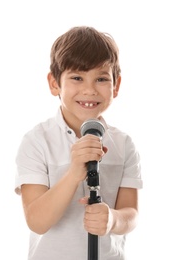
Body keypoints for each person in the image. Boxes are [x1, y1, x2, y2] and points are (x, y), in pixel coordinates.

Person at [15, 26, 143, 260]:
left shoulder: (124, 144)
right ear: (54, 83)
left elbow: (131, 213)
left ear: (116, 85)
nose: (89, 89)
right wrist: (74, 172)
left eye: (101, 79)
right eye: (76, 77)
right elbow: (37, 221)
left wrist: (113, 219)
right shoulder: (36, 141)